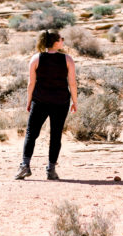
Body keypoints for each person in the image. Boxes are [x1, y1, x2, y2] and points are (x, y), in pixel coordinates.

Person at [15, 30, 77, 180]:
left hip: (40, 100)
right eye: (61, 39)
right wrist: (75, 101)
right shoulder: (67, 59)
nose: (63, 41)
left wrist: (29, 101)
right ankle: (51, 169)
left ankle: (25, 166)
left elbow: (31, 83)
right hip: (60, 101)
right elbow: (72, 83)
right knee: (56, 135)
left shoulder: (36, 58)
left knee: (31, 133)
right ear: (55, 42)